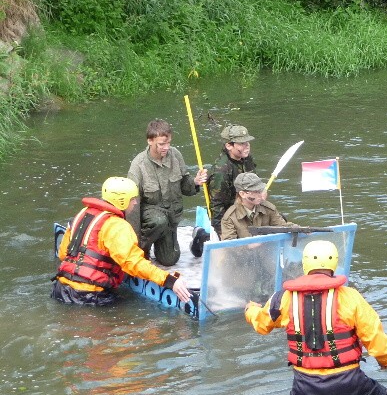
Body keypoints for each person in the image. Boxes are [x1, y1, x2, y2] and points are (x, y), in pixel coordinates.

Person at [245, 240, 387, 395]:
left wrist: (250, 310)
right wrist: (386, 362)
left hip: (305, 390)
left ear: (305, 264)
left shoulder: (283, 298)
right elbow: (374, 335)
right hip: (350, 385)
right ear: (334, 263)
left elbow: (262, 324)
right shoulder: (351, 297)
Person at [52, 176, 191, 306]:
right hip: (90, 296)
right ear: (122, 201)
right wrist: (169, 281)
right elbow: (133, 263)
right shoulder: (118, 226)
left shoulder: (82, 214)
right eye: (133, 199)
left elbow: (63, 254)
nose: (136, 202)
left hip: (61, 289)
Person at [127, 119, 208, 265]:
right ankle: (143, 249)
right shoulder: (138, 165)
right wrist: (134, 241)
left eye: (168, 143)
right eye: (161, 144)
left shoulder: (175, 155)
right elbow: (132, 206)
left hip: (171, 218)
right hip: (150, 218)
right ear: (150, 141)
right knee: (159, 221)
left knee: (170, 260)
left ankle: (164, 244)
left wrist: (195, 182)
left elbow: (184, 186)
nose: (166, 147)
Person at [208, 124, 258, 236]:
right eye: (241, 143)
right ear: (229, 146)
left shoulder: (247, 159)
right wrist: (224, 234)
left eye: (247, 142)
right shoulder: (221, 171)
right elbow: (217, 207)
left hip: (250, 209)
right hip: (232, 217)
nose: (247, 146)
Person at [219, 172, 297, 241]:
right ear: (242, 194)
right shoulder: (230, 218)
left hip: (267, 253)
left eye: (261, 190)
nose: (261, 195)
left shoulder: (268, 209)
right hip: (241, 256)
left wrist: (297, 228)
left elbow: (283, 226)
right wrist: (248, 245)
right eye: (256, 192)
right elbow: (228, 246)